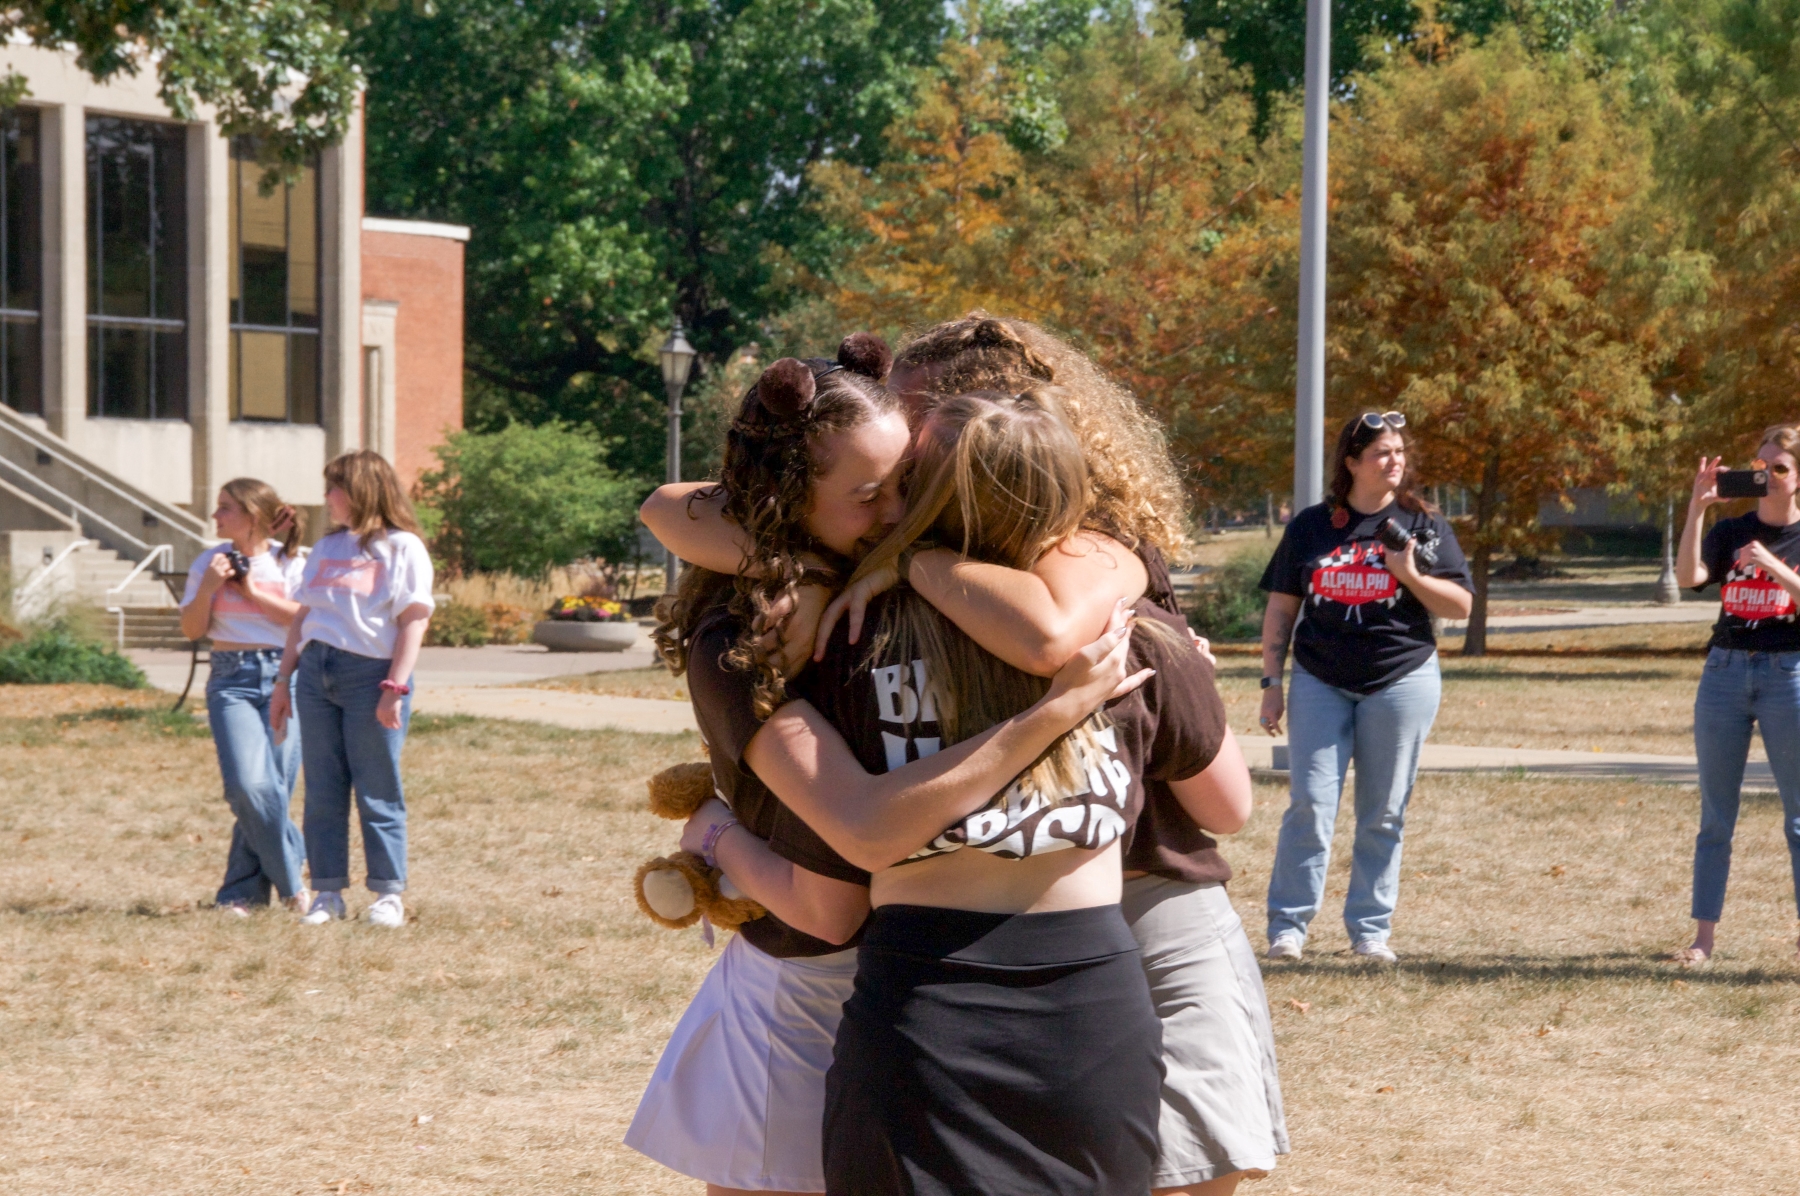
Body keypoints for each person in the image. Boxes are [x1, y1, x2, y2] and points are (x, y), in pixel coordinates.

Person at [627, 343, 1150, 1196]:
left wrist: (899, 561)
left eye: (909, 480)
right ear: (788, 504)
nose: (898, 508)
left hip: (1029, 1000)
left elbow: (1092, 589)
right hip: (836, 993)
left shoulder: (1014, 582)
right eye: (870, 497)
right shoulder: (777, 630)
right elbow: (665, 505)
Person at [754, 390, 1224, 1195]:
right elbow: (1230, 809)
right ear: (1065, 500)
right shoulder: (1130, 635)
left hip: (924, 1001)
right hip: (1087, 1010)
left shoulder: (841, 628)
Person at [1257, 411, 1473, 964]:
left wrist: (1411, 575)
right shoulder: (1312, 525)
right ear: (1352, 463)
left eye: (1399, 451)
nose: (1394, 460)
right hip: (1319, 678)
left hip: (1400, 679)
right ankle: (1288, 927)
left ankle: (1370, 930)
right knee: (1310, 801)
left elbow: (1462, 606)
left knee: (1384, 811)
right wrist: (1270, 682)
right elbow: (1282, 606)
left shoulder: (1424, 525)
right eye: (1381, 452)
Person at [269, 450, 434, 929]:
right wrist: (283, 680)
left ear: (361, 490)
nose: (327, 498)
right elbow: (303, 616)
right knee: (322, 788)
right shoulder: (327, 549)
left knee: (377, 787)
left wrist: (394, 687)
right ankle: (327, 892)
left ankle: (387, 894)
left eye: (333, 487)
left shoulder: (403, 548)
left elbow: (413, 621)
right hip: (316, 672)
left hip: (372, 675)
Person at [1673, 426, 1800, 965]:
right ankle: (1703, 939)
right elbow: (1689, 577)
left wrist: (1773, 567)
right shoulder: (1732, 530)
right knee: (1715, 817)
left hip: (1788, 675)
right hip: (1724, 672)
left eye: (1780, 468)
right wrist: (1698, 508)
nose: (1767, 476)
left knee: (1798, 817)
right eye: (1761, 465)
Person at [179, 479, 309, 916]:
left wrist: (252, 592)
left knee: (271, 790)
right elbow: (192, 630)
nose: (215, 516)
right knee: (247, 787)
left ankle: (241, 895)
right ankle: (293, 882)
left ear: (253, 516)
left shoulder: (290, 563)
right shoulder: (207, 563)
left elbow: (304, 624)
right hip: (230, 679)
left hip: (284, 677)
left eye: (225, 508)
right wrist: (209, 588)